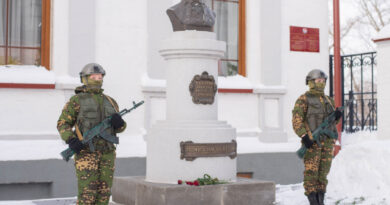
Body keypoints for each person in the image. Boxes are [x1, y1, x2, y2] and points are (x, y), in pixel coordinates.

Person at [57, 63, 126, 205]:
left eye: (100, 76)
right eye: (93, 76)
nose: (97, 79)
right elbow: (63, 123)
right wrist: (70, 140)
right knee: (87, 195)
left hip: (107, 153)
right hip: (86, 153)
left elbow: (119, 128)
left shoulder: (110, 102)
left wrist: (120, 124)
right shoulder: (76, 100)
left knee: (104, 194)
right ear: (85, 79)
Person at [292, 69, 342, 205]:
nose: (321, 83)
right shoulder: (304, 99)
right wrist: (304, 136)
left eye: (323, 81)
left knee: (323, 173)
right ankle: (313, 201)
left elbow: (331, 123)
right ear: (311, 82)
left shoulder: (329, 100)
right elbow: (297, 119)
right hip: (312, 142)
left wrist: (336, 117)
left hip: (327, 143)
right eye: (318, 81)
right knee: (311, 174)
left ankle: (321, 200)